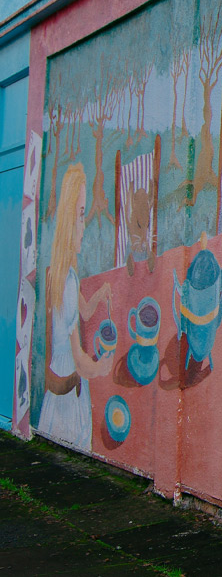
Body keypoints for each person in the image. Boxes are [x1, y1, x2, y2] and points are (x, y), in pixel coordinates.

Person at [38, 165, 114, 450]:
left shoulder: (64, 272)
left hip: (64, 389)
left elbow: (81, 311)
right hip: (69, 393)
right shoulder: (66, 281)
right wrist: (101, 366)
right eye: (82, 215)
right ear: (70, 220)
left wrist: (100, 294)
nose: (85, 225)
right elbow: (80, 359)